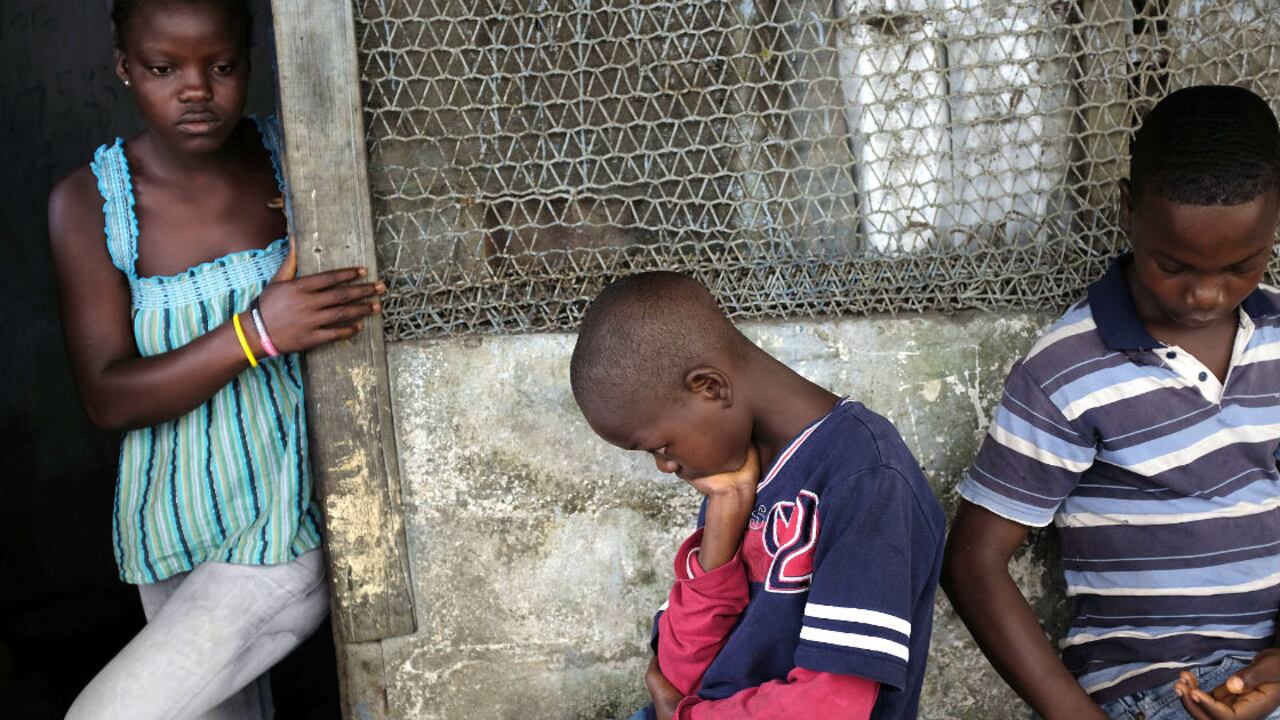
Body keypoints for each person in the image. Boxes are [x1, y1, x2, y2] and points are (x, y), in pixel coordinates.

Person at [47, 1, 383, 717]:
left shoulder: (301, 163)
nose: (196, 89)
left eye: (222, 66)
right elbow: (108, 396)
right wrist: (256, 332)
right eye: (163, 68)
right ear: (125, 68)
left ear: (251, 61)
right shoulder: (90, 203)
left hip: (282, 530)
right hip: (171, 527)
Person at [942, 84, 1280, 720]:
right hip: (1155, 690)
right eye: (1173, 265)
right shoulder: (1068, 369)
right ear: (1128, 208)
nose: (1207, 294)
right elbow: (972, 562)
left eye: (1241, 266)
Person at [569, 272, 945, 720]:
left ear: (709, 387)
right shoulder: (734, 474)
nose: (664, 466)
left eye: (661, 447)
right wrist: (723, 521)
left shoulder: (866, 475)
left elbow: (832, 706)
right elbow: (677, 674)